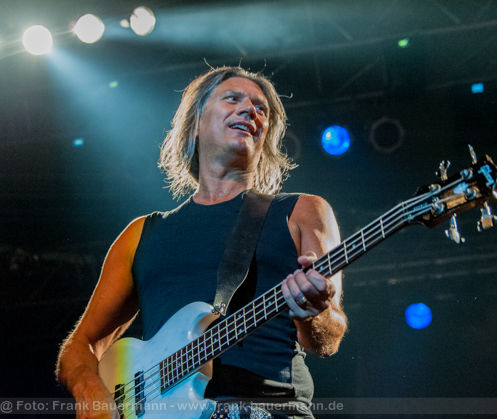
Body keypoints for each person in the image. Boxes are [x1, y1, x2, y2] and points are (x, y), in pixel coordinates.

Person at [56, 66, 348, 418]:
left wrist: (314, 312)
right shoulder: (141, 233)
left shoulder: (302, 211)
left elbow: (328, 338)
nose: (250, 110)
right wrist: (92, 396)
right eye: (233, 99)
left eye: (261, 109)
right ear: (195, 122)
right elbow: (80, 346)